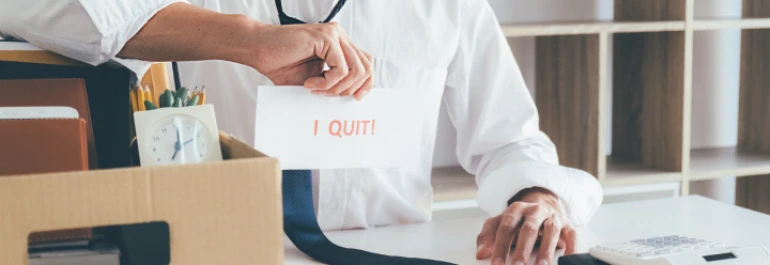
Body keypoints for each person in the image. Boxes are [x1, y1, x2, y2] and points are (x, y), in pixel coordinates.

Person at [0, 1, 603, 265]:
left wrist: (537, 199)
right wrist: (244, 39)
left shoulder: (450, 4)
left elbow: (511, 141)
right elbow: (28, 6)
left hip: (395, 253)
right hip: (231, 255)